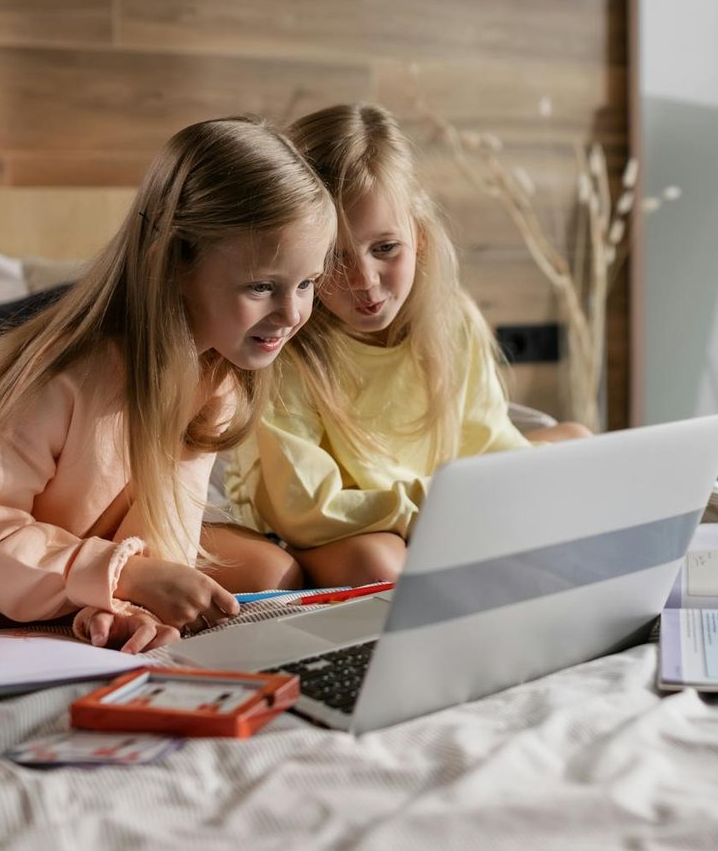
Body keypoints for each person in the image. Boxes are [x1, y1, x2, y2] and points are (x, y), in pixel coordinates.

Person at [0, 117, 336, 658]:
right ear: (173, 264)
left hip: (87, 544)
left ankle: (56, 597)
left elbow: (166, 517)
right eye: (262, 286)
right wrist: (126, 579)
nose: (291, 313)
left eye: (307, 283)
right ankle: (15, 599)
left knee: (275, 570)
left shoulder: (218, 379)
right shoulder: (59, 371)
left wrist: (136, 604)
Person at [213, 103, 589, 591]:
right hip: (334, 520)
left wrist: (486, 492)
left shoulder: (452, 320)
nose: (365, 282)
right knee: (379, 565)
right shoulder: (285, 346)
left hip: (426, 496)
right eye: (333, 259)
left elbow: (486, 440)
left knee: (578, 443)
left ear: (421, 237)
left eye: (385, 248)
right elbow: (305, 509)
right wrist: (443, 504)